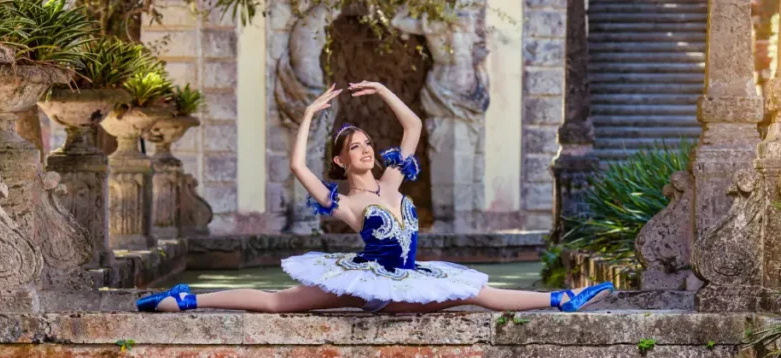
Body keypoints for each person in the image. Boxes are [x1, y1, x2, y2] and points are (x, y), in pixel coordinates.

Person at [136, 81, 614, 314]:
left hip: (409, 277)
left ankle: (562, 298)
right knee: (280, 303)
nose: (364, 150)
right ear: (342, 162)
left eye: (367, 144)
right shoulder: (346, 202)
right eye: (354, 148)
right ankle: (184, 299)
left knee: (477, 292)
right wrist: (308, 115)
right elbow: (299, 166)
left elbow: (414, 126)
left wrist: (383, 89)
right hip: (371, 284)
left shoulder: (393, 182)